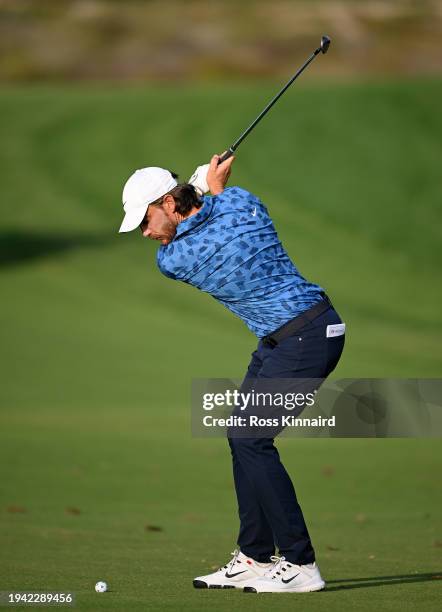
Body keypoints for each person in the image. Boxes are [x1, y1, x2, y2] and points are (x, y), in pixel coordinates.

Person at [118, 154, 345, 594]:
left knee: (250, 438)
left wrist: (202, 187)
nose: (145, 233)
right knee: (240, 436)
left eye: (145, 220)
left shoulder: (174, 259)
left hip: (306, 336)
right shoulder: (244, 202)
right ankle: (256, 557)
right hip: (290, 336)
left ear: (168, 202)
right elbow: (224, 211)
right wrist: (211, 187)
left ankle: (300, 564)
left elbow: (196, 232)